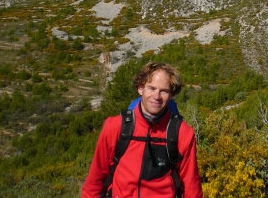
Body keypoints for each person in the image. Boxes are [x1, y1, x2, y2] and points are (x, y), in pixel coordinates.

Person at [82, 62, 204, 198]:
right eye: (151, 88)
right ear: (140, 88)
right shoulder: (115, 126)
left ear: (171, 95)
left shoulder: (182, 133)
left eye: (164, 91)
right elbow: (94, 181)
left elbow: (192, 188)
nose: (156, 96)